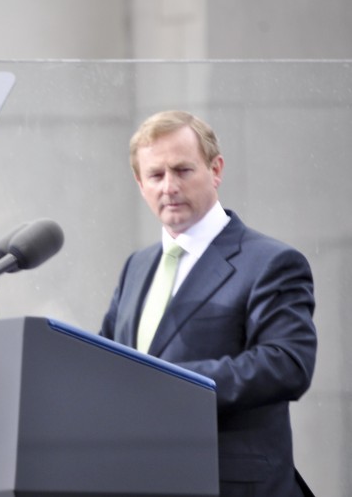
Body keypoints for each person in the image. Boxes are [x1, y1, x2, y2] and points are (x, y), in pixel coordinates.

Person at [100, 110, 317, 496]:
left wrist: (170, 383)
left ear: (215, 170)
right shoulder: (137, 267)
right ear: (139, 183)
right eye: (155, 175)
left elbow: (287, 363)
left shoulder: (271, 262)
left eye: (183, 170)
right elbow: (104, 361)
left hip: (230, 485)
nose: (169, 186)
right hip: (141, 480)